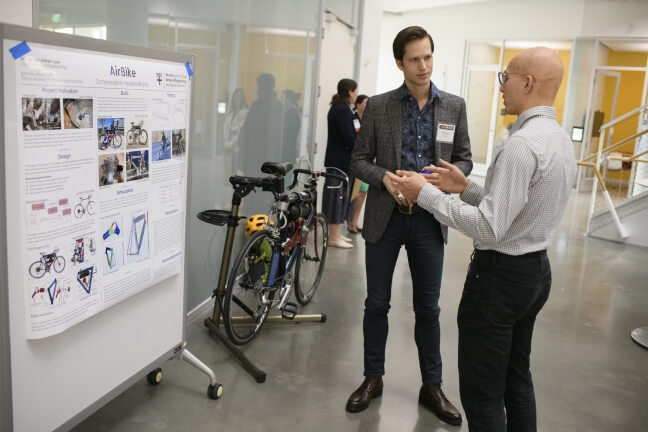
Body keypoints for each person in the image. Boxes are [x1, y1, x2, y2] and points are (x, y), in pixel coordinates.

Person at [391, 47, 577, 431]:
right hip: (534, 274)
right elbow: (517, 212)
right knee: (515, 378)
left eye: (505, 77)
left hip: (500, 281)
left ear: (526, 83)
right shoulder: (558, 139)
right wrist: (465, 188)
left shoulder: (520, 145)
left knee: (483, 393)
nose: (502, 86)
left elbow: (491, 229)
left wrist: (425, 195)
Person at [347, 26, 472, 426]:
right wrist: (385, 178)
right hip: (385, 218)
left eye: (429, 57)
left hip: (429, 221)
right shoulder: (380, 106)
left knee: (428, 310)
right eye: (415, 59)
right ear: (400, 63)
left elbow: (465, 159)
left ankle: (431, 386)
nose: (424, 66)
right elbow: (358, 159)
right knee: (376, 304)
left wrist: (443, 178)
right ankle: (372, 378)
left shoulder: (453, 106)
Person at [323, 78, 358, 248]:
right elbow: (349, 138)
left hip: (339, 162)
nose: (356, 95)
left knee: (340, 198)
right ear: (350, 92)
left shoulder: (339, 109)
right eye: (355, 91)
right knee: (336, 199)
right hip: (339, 163)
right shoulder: (342, 111)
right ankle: (333, 237)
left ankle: (335, 235)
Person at [240, 73, 283, 175]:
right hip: (255, 156)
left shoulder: (272, 106)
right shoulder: (259, 105)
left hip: (260, 156)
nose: (257, 90)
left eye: (259, 86)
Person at [348, 94, 369, 234]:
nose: (367, 105)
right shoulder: (353, 118)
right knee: (354, 193)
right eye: (365, 103)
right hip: (354, 162)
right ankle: (350, 222)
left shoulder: (368, 120)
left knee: (363, 192)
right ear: (358, 104)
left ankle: (355, 221)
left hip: (366, 162)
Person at [224, 88, 248, 175]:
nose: (238, 98)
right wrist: (226, 140)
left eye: (241, 96)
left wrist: (231, 144)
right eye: (237, 95)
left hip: (238, 143)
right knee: (228, 167)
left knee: (236, 167)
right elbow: (226, 126)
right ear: (233, 97)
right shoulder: (230, 111)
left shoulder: (244, 111)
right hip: (229, 141)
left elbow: (240, 130)